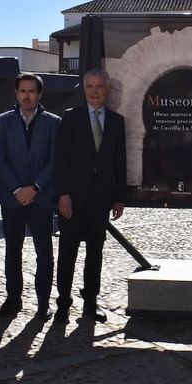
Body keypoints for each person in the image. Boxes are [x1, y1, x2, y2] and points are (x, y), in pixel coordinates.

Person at [54, 68, 126, 323]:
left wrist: (119, 197)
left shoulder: (117, 122)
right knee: (67, 253)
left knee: (95, 253)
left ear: (106, 90)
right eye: (90, 87)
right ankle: (63, 303)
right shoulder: (71, 117)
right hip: (71, 199)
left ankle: (90, 303)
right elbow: (60, 160)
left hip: (100, 200)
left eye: (99, 87)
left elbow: (120, 162)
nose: (95, 92)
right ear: (84, 89)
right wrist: (62, 193)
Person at [0, 73, 61, 320]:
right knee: (13, 251)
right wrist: (16, 189)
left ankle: (43, 303)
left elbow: (55, 160)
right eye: (22, 91)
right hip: (12, 198)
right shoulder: (2, 122)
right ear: (16, 93)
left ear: (40, 94)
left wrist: (35, 187)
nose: (27, 96)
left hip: (41, 198)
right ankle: (13, 300)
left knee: (44, 252)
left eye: (32, 91)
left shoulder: (54, 123)